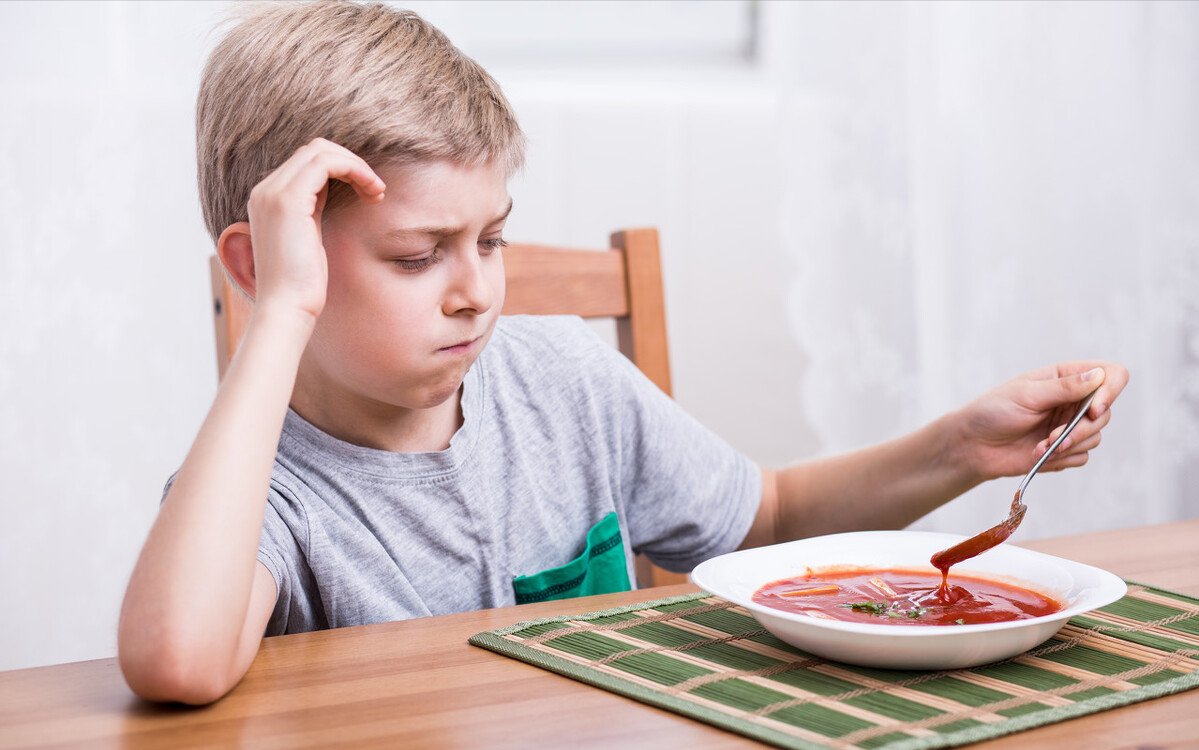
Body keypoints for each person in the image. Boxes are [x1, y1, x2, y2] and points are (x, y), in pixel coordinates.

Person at [117, 1, 1129, 705]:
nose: (476, 290)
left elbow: (767, 518)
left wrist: (961, 448)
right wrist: (280, 313)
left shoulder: (561, 379)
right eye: (418, 256)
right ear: (265, 265)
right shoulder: (268, 493)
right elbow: (176, 662)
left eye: (491, 239)